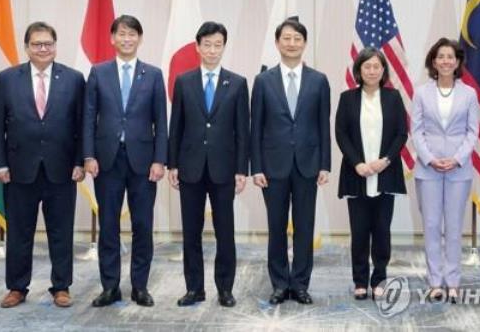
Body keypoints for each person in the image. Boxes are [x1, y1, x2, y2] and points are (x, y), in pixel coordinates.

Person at [0, 22, 85, 308]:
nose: (43, 49)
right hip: (19, 170)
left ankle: (61, 286)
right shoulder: (7, 79)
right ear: (27, 47)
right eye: (37, 44)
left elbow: (82, 126)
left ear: (56, 46)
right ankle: (17, 287)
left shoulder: (74, 78)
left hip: (62, 169)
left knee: (61, 231)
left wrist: (80, 161)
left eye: (48, 43)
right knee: (19, 231)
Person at [83, 15, 168, 307]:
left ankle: (140, 287)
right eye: (122, 34)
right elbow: (87, 118)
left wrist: (160, 160)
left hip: (144, 163)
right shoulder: (98, 72)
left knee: (142, 225)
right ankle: (110, 287)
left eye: (133, 34)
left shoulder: (153, 74)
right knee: (108, 225)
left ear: (140, 39)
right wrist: (88, 155)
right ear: (112, 38)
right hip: (106, 161)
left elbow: (161, 121)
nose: (127, 39)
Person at [168, 22, 249, 308]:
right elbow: (175, 126)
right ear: (198, 47)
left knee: (225, 231)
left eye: (218, 45)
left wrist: (242, 170)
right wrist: (172, 164)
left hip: (224, 169)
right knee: (191, 232)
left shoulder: (238, 83)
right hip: (190, 167)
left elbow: (243, 131)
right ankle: (194, 289)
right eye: (208, 44)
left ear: (224, 47)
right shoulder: (184, 81)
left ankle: (225, 289)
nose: (213, 50)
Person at [251, 18, 331, 305]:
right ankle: (279, 284)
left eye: (297, 38)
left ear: (304, 44)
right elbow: (255, 127)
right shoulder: (263, 81)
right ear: (277, 43)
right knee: (276, 228)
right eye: (286, 38)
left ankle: (299, 284)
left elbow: (324, 125)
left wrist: (325, 164)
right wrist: (256, 167)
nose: (292, 43)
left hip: (308, 164)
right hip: (272, 167)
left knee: (304, 227)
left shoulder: (319, 80)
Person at [335, 47, 407, 300]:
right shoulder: (347, 98)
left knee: (382, 230)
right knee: (359, 231)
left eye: (377, 66)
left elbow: (401, 133)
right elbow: (341, 134)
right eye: (367, 66)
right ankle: (360, 280)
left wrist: (385, 161)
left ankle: (379, 278)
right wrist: (358, 163)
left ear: (383, 70)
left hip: (385, 173)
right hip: (357, 174)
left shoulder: (393, 97)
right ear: (359, 70)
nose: (372, 71)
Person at [411, 38, 478, 303]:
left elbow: (473, 131)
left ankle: (453, 281)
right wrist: (429, 158)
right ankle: (434, 280)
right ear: (433, 61)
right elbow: (416, 130)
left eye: (451, 56)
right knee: (431, 224)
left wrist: (457, 158)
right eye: (441, 56)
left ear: (458, 61)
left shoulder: (469, 94)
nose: (446, 61)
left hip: (458, 170)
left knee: (453, 226)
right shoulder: (420, 93)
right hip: (428, 170)